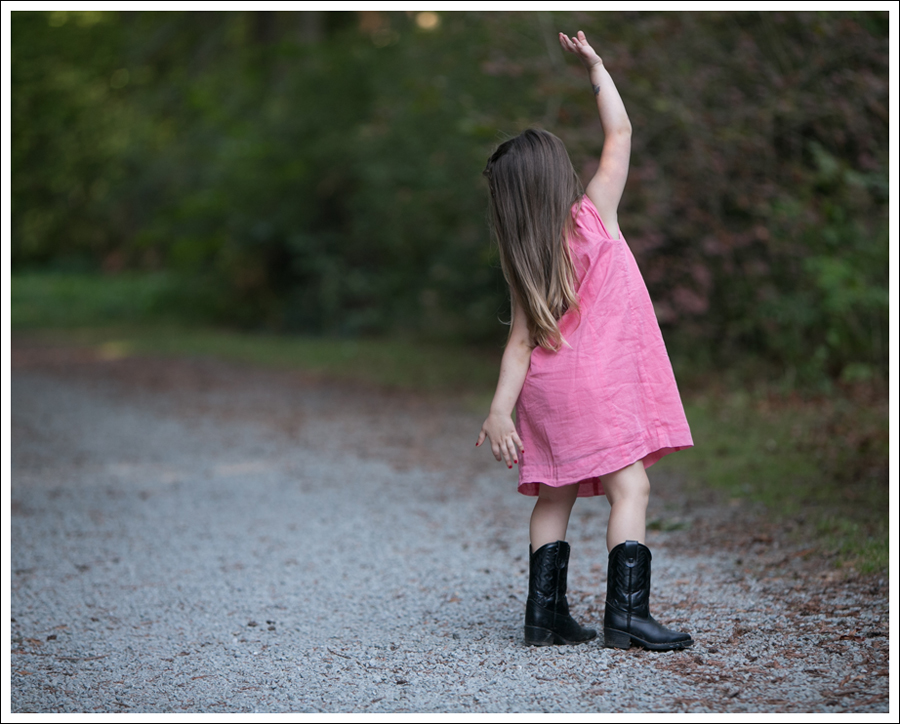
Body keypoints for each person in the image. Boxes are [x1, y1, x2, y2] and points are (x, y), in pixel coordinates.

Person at [475, 31, 694, 651]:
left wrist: (497, 411)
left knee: (553, 494)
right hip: (599, 387)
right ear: (557, 179)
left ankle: (543, 619)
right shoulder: (593, 216)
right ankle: (627, 617)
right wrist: (598, 66)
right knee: (632, 488)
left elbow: (519, 344)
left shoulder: (525, 258)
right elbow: (620, 136)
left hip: (545, 395)